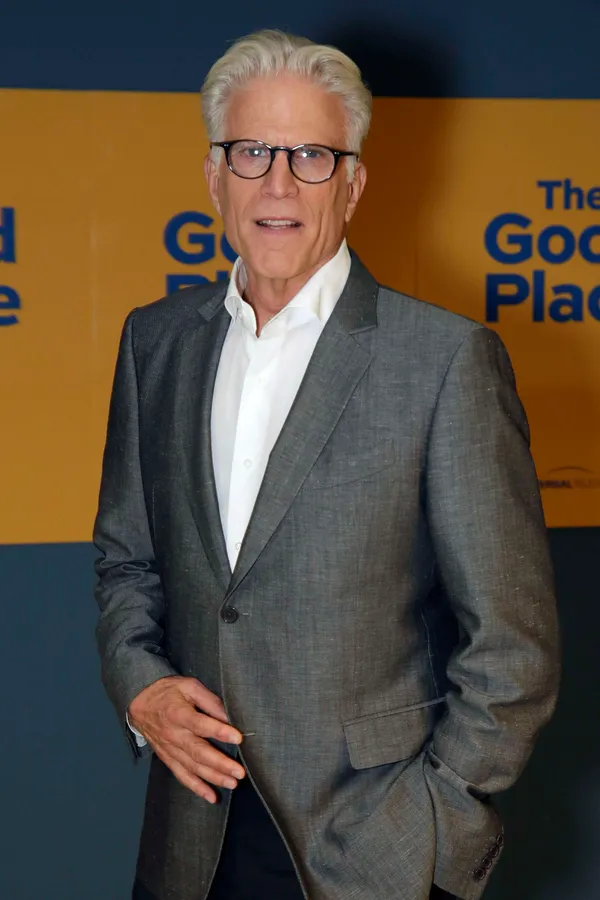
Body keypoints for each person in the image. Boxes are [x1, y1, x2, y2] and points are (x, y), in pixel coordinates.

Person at [93, 29, 560, 900]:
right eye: (252, 152)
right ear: (214, 175)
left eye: (311, 155)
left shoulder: (444, 361)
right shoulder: (154, 344)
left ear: (353, 183)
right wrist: (139, 687)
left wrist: (432, 834)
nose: (278, 183)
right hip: (188, 846)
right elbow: (127, 561)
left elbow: (513, 648)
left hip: (370, 858)